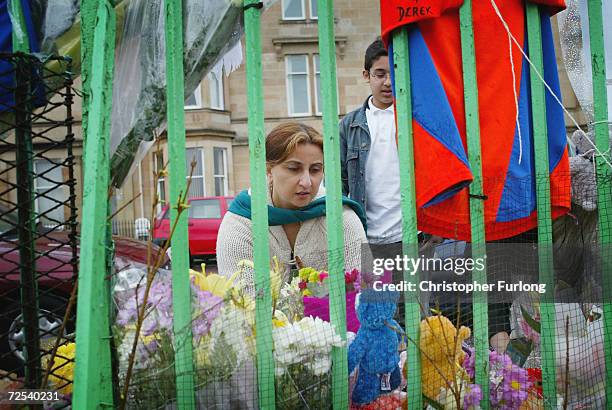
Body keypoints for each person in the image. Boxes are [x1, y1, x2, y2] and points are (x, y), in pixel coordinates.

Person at [217, 122, 368, 297]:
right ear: (268, 169)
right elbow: (243, 304)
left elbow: (365, 289)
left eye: (315, 170)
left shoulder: (339, 216)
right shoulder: (241, 223)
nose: (306, 182)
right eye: (294, 168)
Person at [339, 38, 401, 247]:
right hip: (365, 238)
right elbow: (339, 184)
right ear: (366, 75)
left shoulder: (415, 120)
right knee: (371, 282)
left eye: (395, 72)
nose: (389, 82)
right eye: (380, 74)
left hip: (412, 237)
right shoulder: (349, 125)